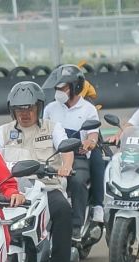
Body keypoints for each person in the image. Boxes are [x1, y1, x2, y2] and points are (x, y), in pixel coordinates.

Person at [0, 81, 75, 262]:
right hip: (13, 189)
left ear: (39, 107)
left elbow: (66, 149)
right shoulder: (2, 132)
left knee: (63, 209)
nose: (25, 113)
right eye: (20, 108)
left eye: (30, 108)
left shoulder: (52, 128)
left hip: (46, 187)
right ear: (13, 110)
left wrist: (66, 166)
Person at [42, 64, 103, 240]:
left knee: (77, 181)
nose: (58, 91)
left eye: (62, 88)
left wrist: (89, 143)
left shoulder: (88, 109)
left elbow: (93, 134)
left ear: (75, 87)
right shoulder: (50, 108)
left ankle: (76, 226)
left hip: (79, 156)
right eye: (57, 88)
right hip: (54, 157)